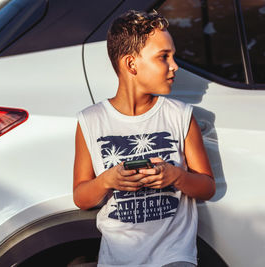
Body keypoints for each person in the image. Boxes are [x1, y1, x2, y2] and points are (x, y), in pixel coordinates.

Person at [73, 10, 216, 267]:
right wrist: (108, 180)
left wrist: (175, 176)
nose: (175, 66)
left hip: (174, 257)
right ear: (131, 64)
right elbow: (81, 197)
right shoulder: (90, 121)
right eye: (164, 57)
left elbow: (207, 187)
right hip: (116, 260)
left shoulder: (180, 115)